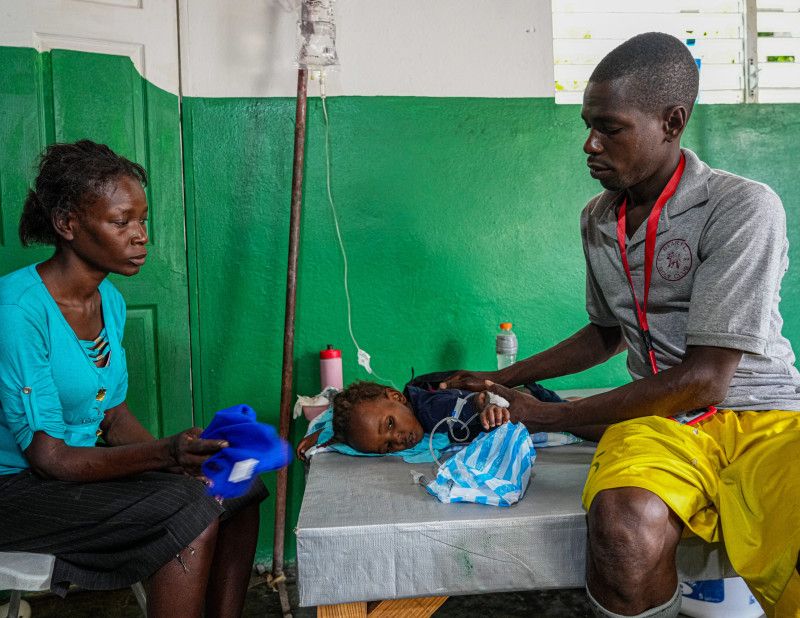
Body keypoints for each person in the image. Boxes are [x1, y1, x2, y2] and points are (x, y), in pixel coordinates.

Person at [441, 33, 800, 617]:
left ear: (672, 121)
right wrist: (501, 375)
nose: (590, 144)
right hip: (661, 421)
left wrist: (548, 415)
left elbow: (707, 380)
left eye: (610, 128)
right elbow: (607, 330)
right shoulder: (599, 218)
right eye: (588, 125)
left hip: (762, 415)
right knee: (623, 525)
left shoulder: (741, 206)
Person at [0, 140, 267, 617]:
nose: (140, 235)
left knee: (239, 485)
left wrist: (181, 463)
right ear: (67, 224)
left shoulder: (110, 303)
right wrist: (164, 453)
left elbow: (113, 414)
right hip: (17, 489)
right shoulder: (18, 310)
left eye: (142, 221)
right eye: (121, 222)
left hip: (69, 475)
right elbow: (49, 457)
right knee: (188, 509)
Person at [296, 375, 564, 458]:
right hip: (522, 404)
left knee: (586, 424)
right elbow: (337, 414)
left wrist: (488, 407)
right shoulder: (397, 407)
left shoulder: (433, 409)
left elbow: (479, 398)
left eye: (390, 424)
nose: (398, 439)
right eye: (388, 445)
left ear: (397, 398)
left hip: (530, 403)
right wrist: (319, 436)